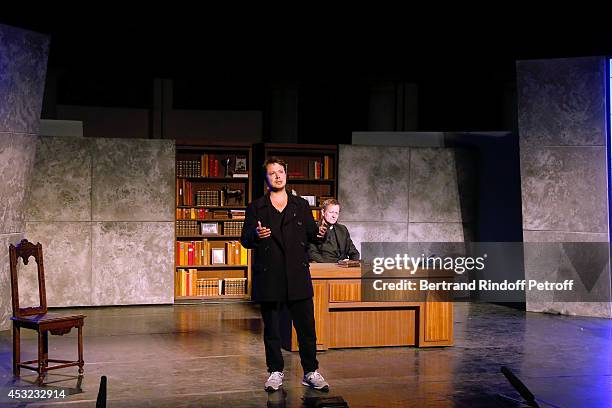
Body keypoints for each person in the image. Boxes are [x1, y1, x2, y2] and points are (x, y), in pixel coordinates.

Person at [240, 157, 330, 393]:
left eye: (281, 172)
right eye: (272, 173)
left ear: (286, 175)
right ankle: (275, 372)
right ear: (266, 178)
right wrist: (256, 235)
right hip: (270, 277)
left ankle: (310, 372)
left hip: (297, 276)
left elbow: (313, 235)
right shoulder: (256, 207)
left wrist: (321, 232)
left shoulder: (300, 206)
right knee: (272, 330)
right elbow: (245, 240)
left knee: (307, 328)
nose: (278, 176)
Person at [308, 199, 360, 263]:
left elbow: (354, 252)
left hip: (344, 269)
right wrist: (337, 263)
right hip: (324, 268)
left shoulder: (342, 229)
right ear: (323, 212)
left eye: (336, 213)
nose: (334, 216)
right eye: (331, 212)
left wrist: (352, 263)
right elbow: (312, 254)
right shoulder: (313, 229)